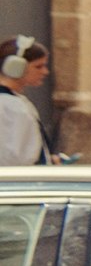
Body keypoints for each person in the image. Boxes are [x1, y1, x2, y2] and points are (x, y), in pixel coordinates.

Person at [0, 35, 52, 167]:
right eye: (38, 66)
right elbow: (17, 160)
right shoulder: (12, 106)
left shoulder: (14, 102)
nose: (45, 72)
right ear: (15, 67)